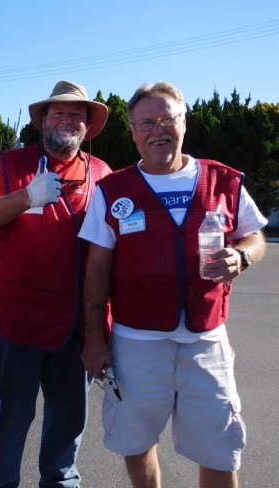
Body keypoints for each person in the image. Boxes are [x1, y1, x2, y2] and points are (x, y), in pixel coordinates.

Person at [80, 81, 268, 488]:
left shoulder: (222, 180)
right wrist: (94, 339)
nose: (157, 130)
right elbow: (96, 270)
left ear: (184, 121)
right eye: (146, 122)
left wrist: (243, 255)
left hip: (206, 343)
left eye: (167, 118)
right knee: (137, 440)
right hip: (136, 344)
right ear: (132, 131)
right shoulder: (112, 191)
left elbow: (256, 235)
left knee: (219, 447)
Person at [0, 80, 112, 487]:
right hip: (18, 330)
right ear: (43, 120)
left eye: (76, 115)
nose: (67, 120)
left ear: (87, 126)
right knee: (5, 429)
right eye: (58, 113)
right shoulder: (9, 165)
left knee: (66, 437)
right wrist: (26, 197)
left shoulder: (103, 174)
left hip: (78, 332)